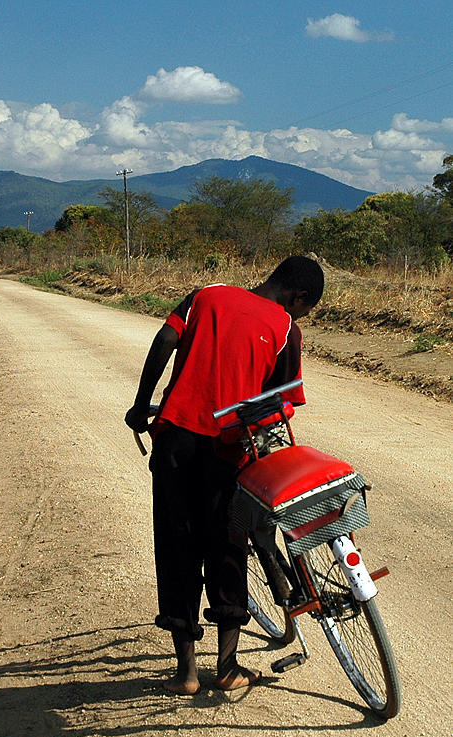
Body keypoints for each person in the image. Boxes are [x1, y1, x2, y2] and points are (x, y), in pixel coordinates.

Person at [125, 255, 324, 695]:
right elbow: (283, 401)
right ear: (298, 297)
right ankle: (228, 667)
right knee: (228, 548)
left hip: (175, 439)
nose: (299, 315)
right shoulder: (286, 328)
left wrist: (142, 404)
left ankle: (186, 674)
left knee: (176, 544)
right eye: (304, 309)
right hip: (228, 451)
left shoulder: (206, 295)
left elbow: (163, 341)